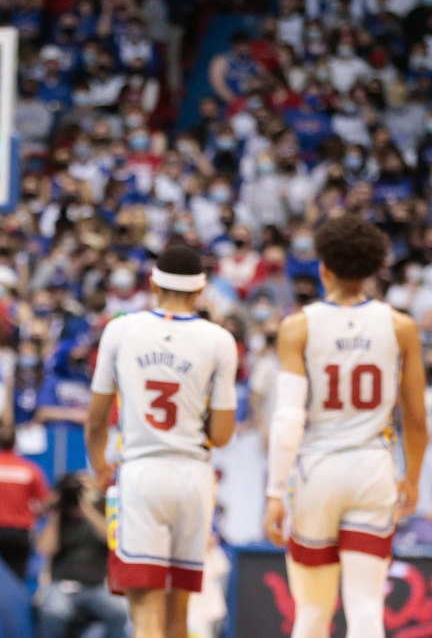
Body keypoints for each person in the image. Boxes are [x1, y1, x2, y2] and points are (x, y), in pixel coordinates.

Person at [263, 215, 428, 638]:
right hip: (372, 469)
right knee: (367, 608)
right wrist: (411, 477)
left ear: (323, 268)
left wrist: (275, 492)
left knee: (312, 612)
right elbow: (415, 418)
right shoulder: (400, 326)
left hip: (316, 470)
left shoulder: (298, 326)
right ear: (373, 269)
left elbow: (288, 417)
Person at [85, 244, 239, 638]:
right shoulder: (219, 340)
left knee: (146, 619)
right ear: (200, 290)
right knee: (179, 618)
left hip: (141, 474)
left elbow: (97, 418)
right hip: (193, 477)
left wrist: (100, 465)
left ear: (152, 284)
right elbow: (222, 436)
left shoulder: (121, 329)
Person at [35, 472, 129, 638]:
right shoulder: (59, 520)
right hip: (61, 585)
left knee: (119, 612)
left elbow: (111, 539)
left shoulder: (101, 513)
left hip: (96, 587)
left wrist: (86, 508)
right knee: (54, 613)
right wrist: (57, 512)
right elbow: (45, 549)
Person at [0, 421, 49, 578]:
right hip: (19, 533)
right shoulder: (30, 470)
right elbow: (43, 504)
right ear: (16, 442)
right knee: (17, 579)